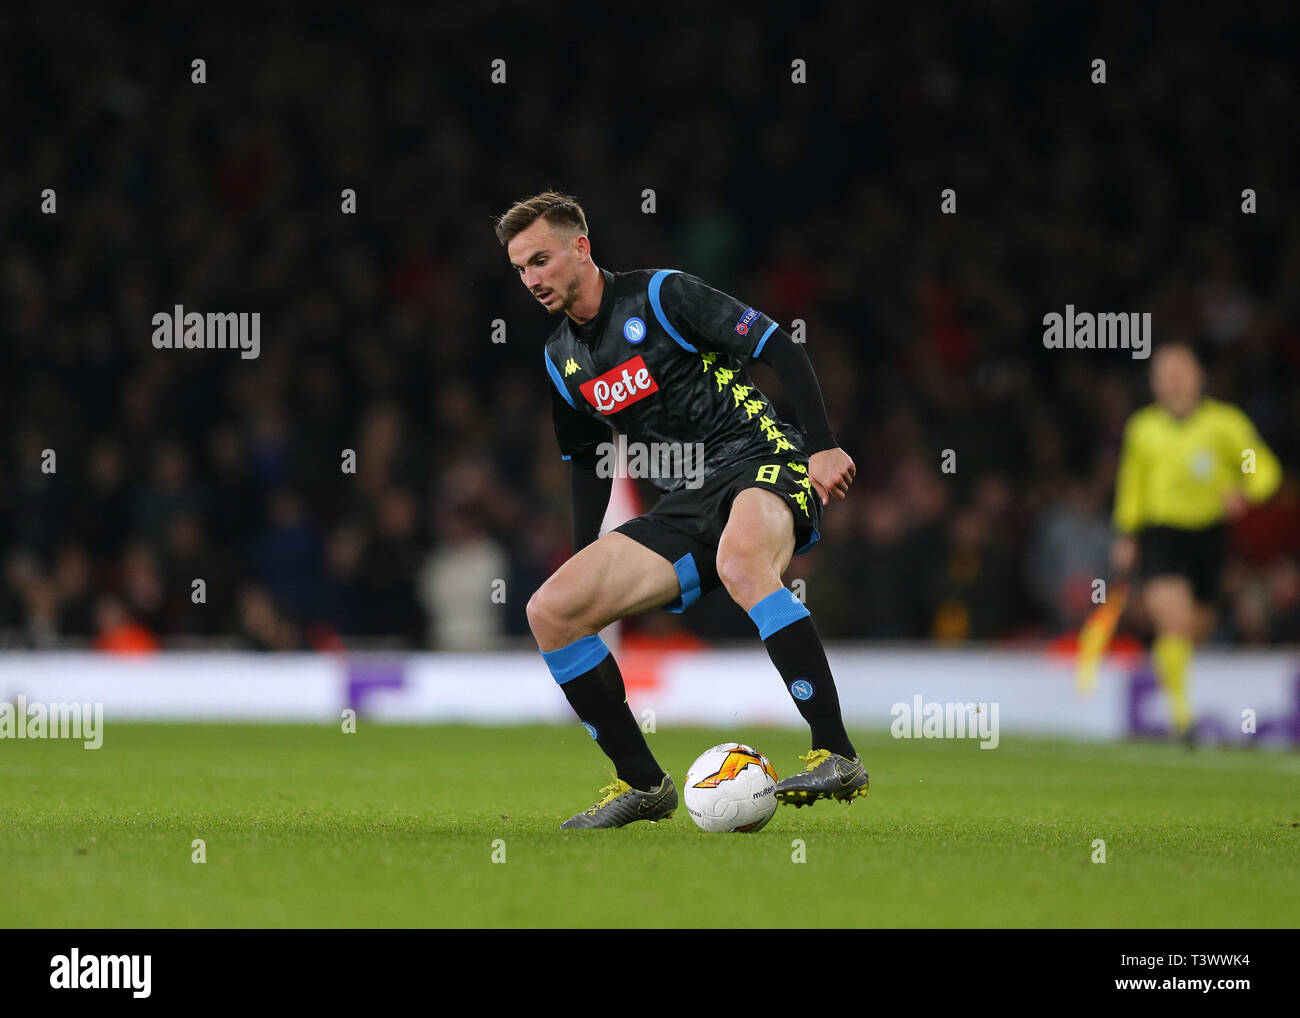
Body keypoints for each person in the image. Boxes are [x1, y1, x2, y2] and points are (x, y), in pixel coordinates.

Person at [495, 191, 864, 827]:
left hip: (760, 457)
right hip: (687, 498)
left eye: (541, 260)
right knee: (551, 609)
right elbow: (588, 460)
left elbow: (778, 345)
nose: (531, 279)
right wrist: (586, 554)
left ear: (580, 248)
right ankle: (642, 785)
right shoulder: (563, 358)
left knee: (743, 562)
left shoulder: (662, 296)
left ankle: (837, 752)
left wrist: (824, 445)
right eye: (521, 269)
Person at [1111, 342, 1282, 739]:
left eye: (1180, 371)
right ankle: (1181, 720)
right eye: (1164, 373)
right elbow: (1132, 484)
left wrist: (1246, 490)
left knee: (1194, 630)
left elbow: (1259, 465)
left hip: (1208, 537)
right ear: (1154, 383)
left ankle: (1171, 677)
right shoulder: (1142, 429)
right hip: (1161, 534)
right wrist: (1126, 532)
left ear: (1198, 377)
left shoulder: (1225, 425)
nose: (1172, 381)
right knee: (1174, 620)